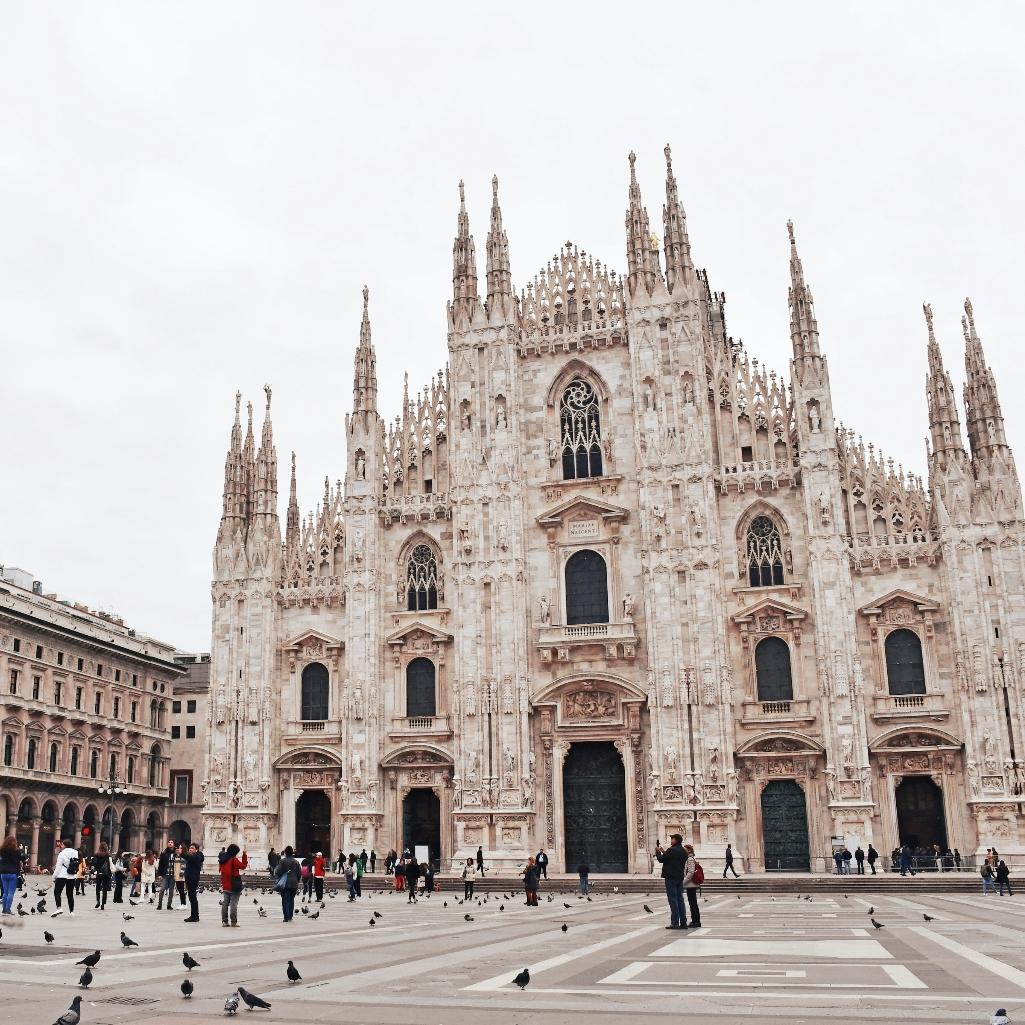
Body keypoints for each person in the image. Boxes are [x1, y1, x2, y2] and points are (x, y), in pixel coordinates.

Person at [654, 834, 688, 929]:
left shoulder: (671, 850)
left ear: (676, 840)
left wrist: (658, 852)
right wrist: (664, 852)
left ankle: (675, 922)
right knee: (680, 900)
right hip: (679, 877)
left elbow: (661, 860)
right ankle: (683, 922)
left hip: (670, 878)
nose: (671, 840)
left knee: (673, 900)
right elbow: (672, 859)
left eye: (672, 839)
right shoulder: (683, 851)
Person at [218, 843, 248, 926]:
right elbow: (243, 866)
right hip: (234, 885)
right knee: (233, 904)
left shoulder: (222, 860)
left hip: (225, 884)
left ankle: (224, 921)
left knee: (225, 903)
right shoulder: (233, 860)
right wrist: (244, 856)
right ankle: (233, 922)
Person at [51, 839, 79, 917]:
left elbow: (58, 867)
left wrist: (54, 877)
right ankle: (71, 911)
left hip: (62, 875)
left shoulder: (62, 854)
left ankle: (59, 908)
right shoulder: (76, 852)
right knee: (70, 894)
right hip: (72, 876)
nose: (61, 846)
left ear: (65, 845)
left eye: (62, 844)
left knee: (57, 892)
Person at [0, 835, 27, 915]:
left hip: (3, 873)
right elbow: (24, 858)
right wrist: (22, 850)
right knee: (10, 892)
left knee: (5, 892)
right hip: (13, 873)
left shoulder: (2, 851)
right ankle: (8, 909)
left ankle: (4, 909)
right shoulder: (17, 851)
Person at [274, 846, 302, 922]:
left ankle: (286, 917)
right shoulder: (296, 862)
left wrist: (280, 877)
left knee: (285, 899)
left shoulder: (282, 861)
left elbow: (279, 871)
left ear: (285, 852)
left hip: (285, 882)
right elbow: (299, 873)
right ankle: (290, 916)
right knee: (291, 899)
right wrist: (297, 880)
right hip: (293, 882)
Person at [181, 842, 205, 922]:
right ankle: (194, 915)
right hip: (190, 879)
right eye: (190, 848)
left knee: (192, 897)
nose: (190, 850)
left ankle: (194, 915)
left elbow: (190, 858)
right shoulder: (196, 856)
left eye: (192, 848)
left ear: (196, 850)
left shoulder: (196, 857)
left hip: (192, 879)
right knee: (192, 897)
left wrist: (182, 854)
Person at [683, 843, 702, 928]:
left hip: (691, 884)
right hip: (690, 884)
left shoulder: (690, 859)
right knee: (692, 902)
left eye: (685, 849)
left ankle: (696, 921)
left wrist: (684, 882)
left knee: (693, 903)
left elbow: (690, 872)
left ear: (689, 850)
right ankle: (695, 920)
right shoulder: (689, 858)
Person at [156, 839, 177, 911]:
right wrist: (159, 874)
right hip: (165, 873)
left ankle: (169, 904)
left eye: (171, 842)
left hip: (173, 874)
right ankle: (159, 904)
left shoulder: (176, 853)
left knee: (171, 890)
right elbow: (160, 864)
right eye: (169, 842)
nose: (170, 844)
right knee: (162, 889)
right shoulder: (164, 853)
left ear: (174, 844)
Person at [92, 843, 112, 910]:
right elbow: (110, 864)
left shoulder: (97, 854)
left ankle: (98, 901)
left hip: (99, 873)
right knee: (105, 889)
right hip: (106, 873)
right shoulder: (108, 854)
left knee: (98, 887)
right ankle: (103, 904)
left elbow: (95, 863)